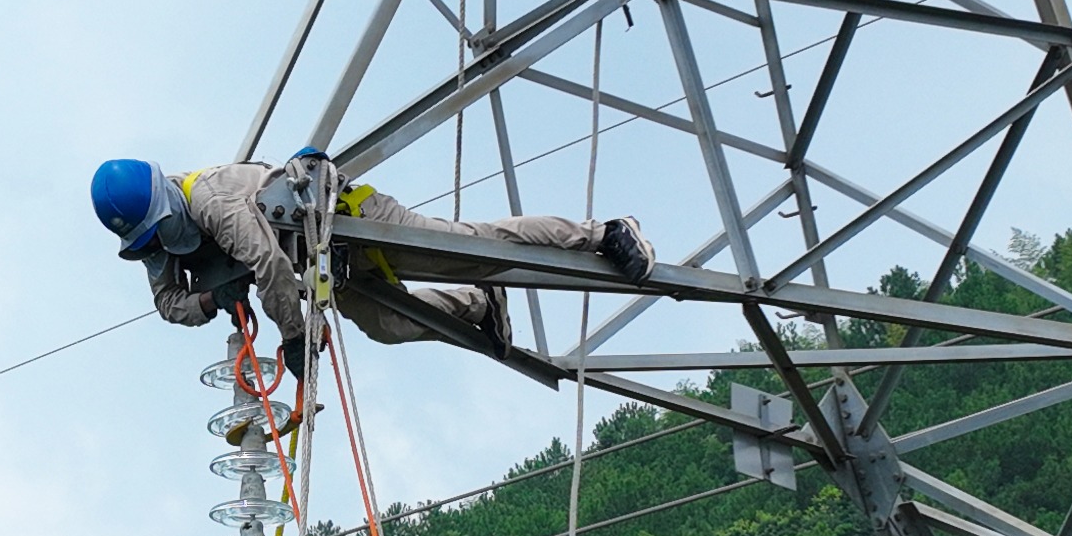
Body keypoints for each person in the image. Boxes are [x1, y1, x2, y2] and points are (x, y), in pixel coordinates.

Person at [91, 155, 652, 364]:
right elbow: (168, 304)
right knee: (386, 326)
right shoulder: (156, 243)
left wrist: (293, 338)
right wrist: (210, 299)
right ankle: (476, 305)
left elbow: (270, 269)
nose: (160, 247)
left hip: (350, 222)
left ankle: (603, 233)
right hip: (331, 266)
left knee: (474, 248)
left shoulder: (214, 201)